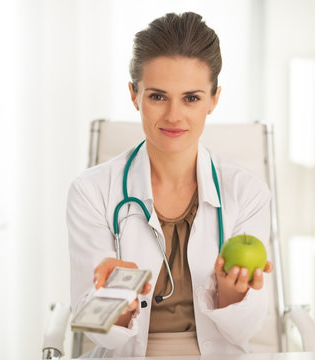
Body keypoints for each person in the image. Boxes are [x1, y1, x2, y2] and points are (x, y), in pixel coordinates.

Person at [67, 11, 273, 357]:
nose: (174, 115)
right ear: (135, 95)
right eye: (158, 96)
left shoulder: (247, 192)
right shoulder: (91, 191)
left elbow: (245, 330)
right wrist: (118, 300)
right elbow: (99, 332)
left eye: (191, 98)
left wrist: (230, 290)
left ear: (213, 99)